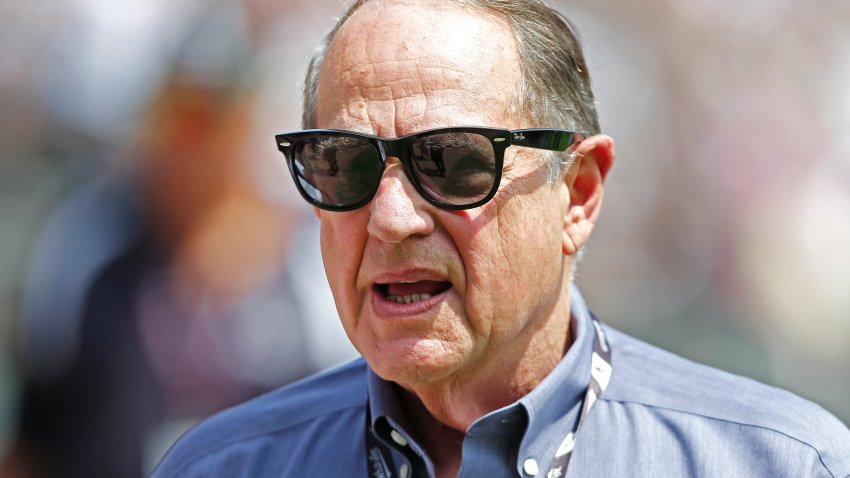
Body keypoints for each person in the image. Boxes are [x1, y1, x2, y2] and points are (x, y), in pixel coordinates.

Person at [154, 0, 850, 476]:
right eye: (344, 163)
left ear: (577, 194)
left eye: (454, 163)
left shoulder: (773, 463)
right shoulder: (227, 466)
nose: (392, 217)